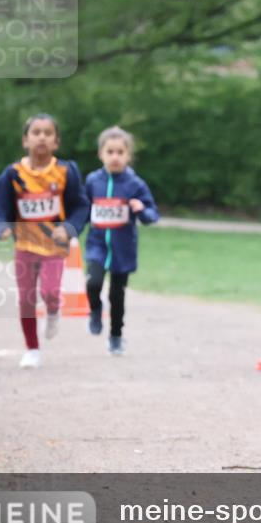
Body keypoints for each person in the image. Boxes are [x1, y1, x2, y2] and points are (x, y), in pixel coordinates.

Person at [0, 113, 89, 369]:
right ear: (25, 140)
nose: (41, 137)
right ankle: (32, 349)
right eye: (36, 132)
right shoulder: (13, 174)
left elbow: (81, 205)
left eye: (48, 133)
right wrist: (1, 227)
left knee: (50, 292)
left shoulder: (66, 171)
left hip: (54, 245)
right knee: (26, 299)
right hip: (25, 245)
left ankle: (54, 311)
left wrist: (68, 228)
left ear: (56, 142)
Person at [84, 126, 160, 356]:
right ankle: (95, 310)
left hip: (122, 249)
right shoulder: (92, 181)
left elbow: (152, 215)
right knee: (93, 283)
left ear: (128, 155)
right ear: (101, 154)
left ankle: (116, 335)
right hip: (97, 244)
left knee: (117, 295)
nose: (115, 157)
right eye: (110, 151)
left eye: (120, 152)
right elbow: (83, 210)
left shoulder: (134, 184)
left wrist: (141, 209)